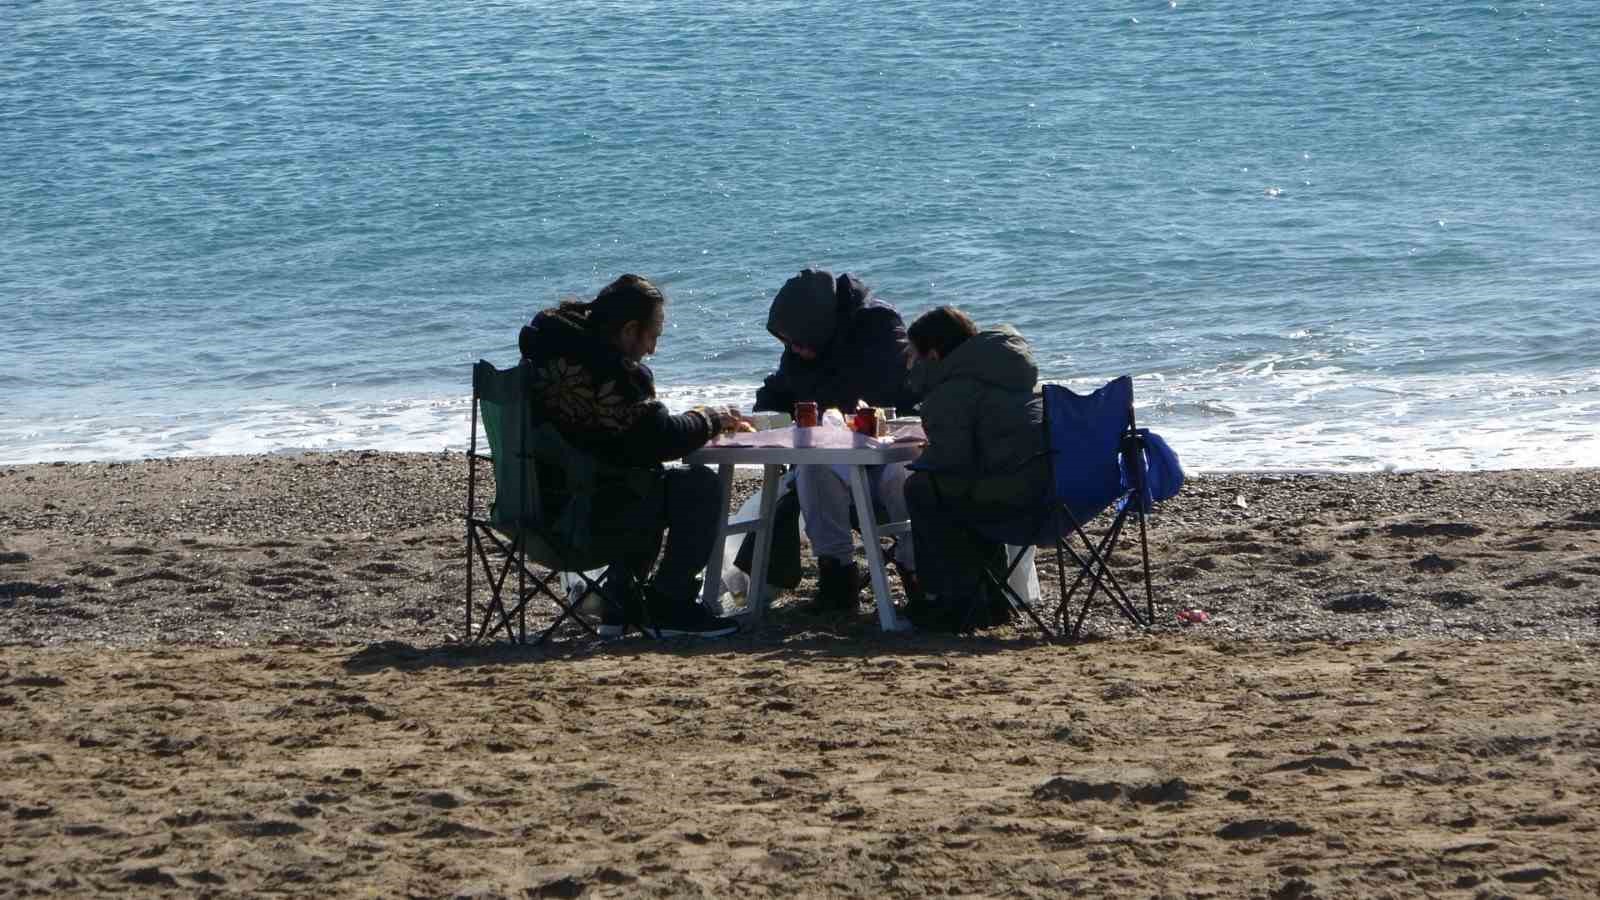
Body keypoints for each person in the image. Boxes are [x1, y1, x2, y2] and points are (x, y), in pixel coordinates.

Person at [519, 274, 751, 637]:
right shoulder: (614, 373)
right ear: (629, 330)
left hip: (531, 509)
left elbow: (633, 438)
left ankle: (621, 602)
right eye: (653, 335)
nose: (653, 349)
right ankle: (668, 603)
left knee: (640, 472)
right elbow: (662, 439)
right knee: (695, 485)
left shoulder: (542, 354)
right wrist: (710, 418)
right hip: (588, 518)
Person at [752, 268, 924, 616]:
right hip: (841, 455)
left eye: (797, 340)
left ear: (817, 325)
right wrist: (763, 412)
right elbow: (782, 390)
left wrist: (814, 391)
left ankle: (918, 572)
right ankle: (837, 575)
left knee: (897, 479)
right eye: (788, 343)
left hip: (895, 445)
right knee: (812, 469)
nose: (794, 349)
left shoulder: (879, 324)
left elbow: (876, 390)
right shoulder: (803, 351)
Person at [901, 306, 1050, 632]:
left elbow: (951, 462)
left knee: (923, 488)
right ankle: (991, 598)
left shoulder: (952, 391)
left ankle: (954, 601)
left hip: (1014, 499)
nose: (909, 364)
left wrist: (925, 458)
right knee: (965, 487)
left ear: (934, 355)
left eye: (913, 355)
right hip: (1055, 491)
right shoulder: (1007, 371)